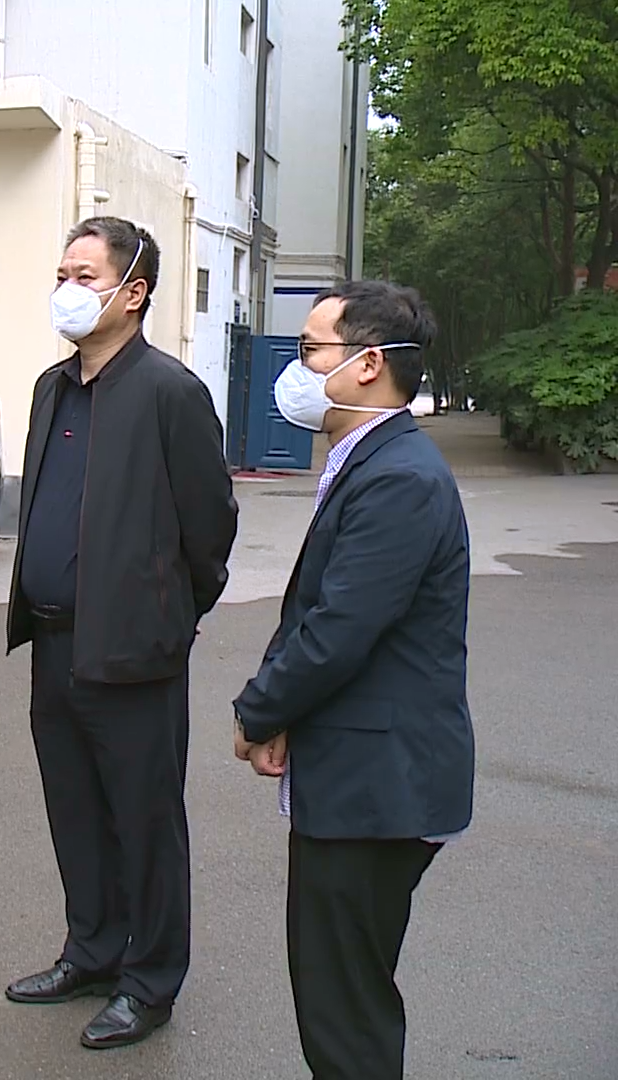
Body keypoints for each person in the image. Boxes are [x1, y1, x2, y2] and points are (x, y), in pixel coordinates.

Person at [2, 217, 238, 1049]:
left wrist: (166, 616)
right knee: (75, 811)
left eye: (84, 276)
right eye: (61, 274)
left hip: (135, 653)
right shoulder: (52, 388)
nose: (66, 290)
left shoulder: (171, 393)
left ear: (133, 292)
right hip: (55, 645)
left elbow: (210, 530)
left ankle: (150, 981)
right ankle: (93, 951)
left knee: (145, 822)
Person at [233, 281, 473, 1080]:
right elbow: (320, 608)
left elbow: (340, 629)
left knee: (346, 1015)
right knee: (339, 994)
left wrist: (258, 710)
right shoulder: (371, 460)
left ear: (367, 364)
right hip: (362, 778)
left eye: (310, 350)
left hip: (379, 791)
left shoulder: (399, 477)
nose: (296, 368)